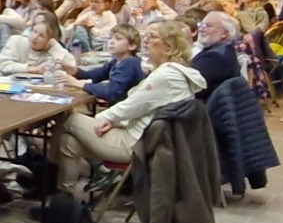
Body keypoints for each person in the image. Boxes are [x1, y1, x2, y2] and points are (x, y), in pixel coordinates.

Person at [56, 21, 207, 196]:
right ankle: (64, 197)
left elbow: (131, 105)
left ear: (168, 46)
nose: (146, 41)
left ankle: (47, 173)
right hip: (143, 138)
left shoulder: (166, 76)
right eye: (147, 36)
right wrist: (111, 120)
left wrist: (106, 118)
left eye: (152, 37)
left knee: (69, 119)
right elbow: (137, 107)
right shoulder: (173, 73)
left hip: (135, 144)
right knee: (68, 142)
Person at [75, 24, 144, 106]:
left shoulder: (131, 63)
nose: (111, 41)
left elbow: (111, 92)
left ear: (132, 46)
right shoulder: (117, 61)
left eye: (118, 39)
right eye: (110, 38)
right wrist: (75, 71)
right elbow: (99, 74)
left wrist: (81, 85)